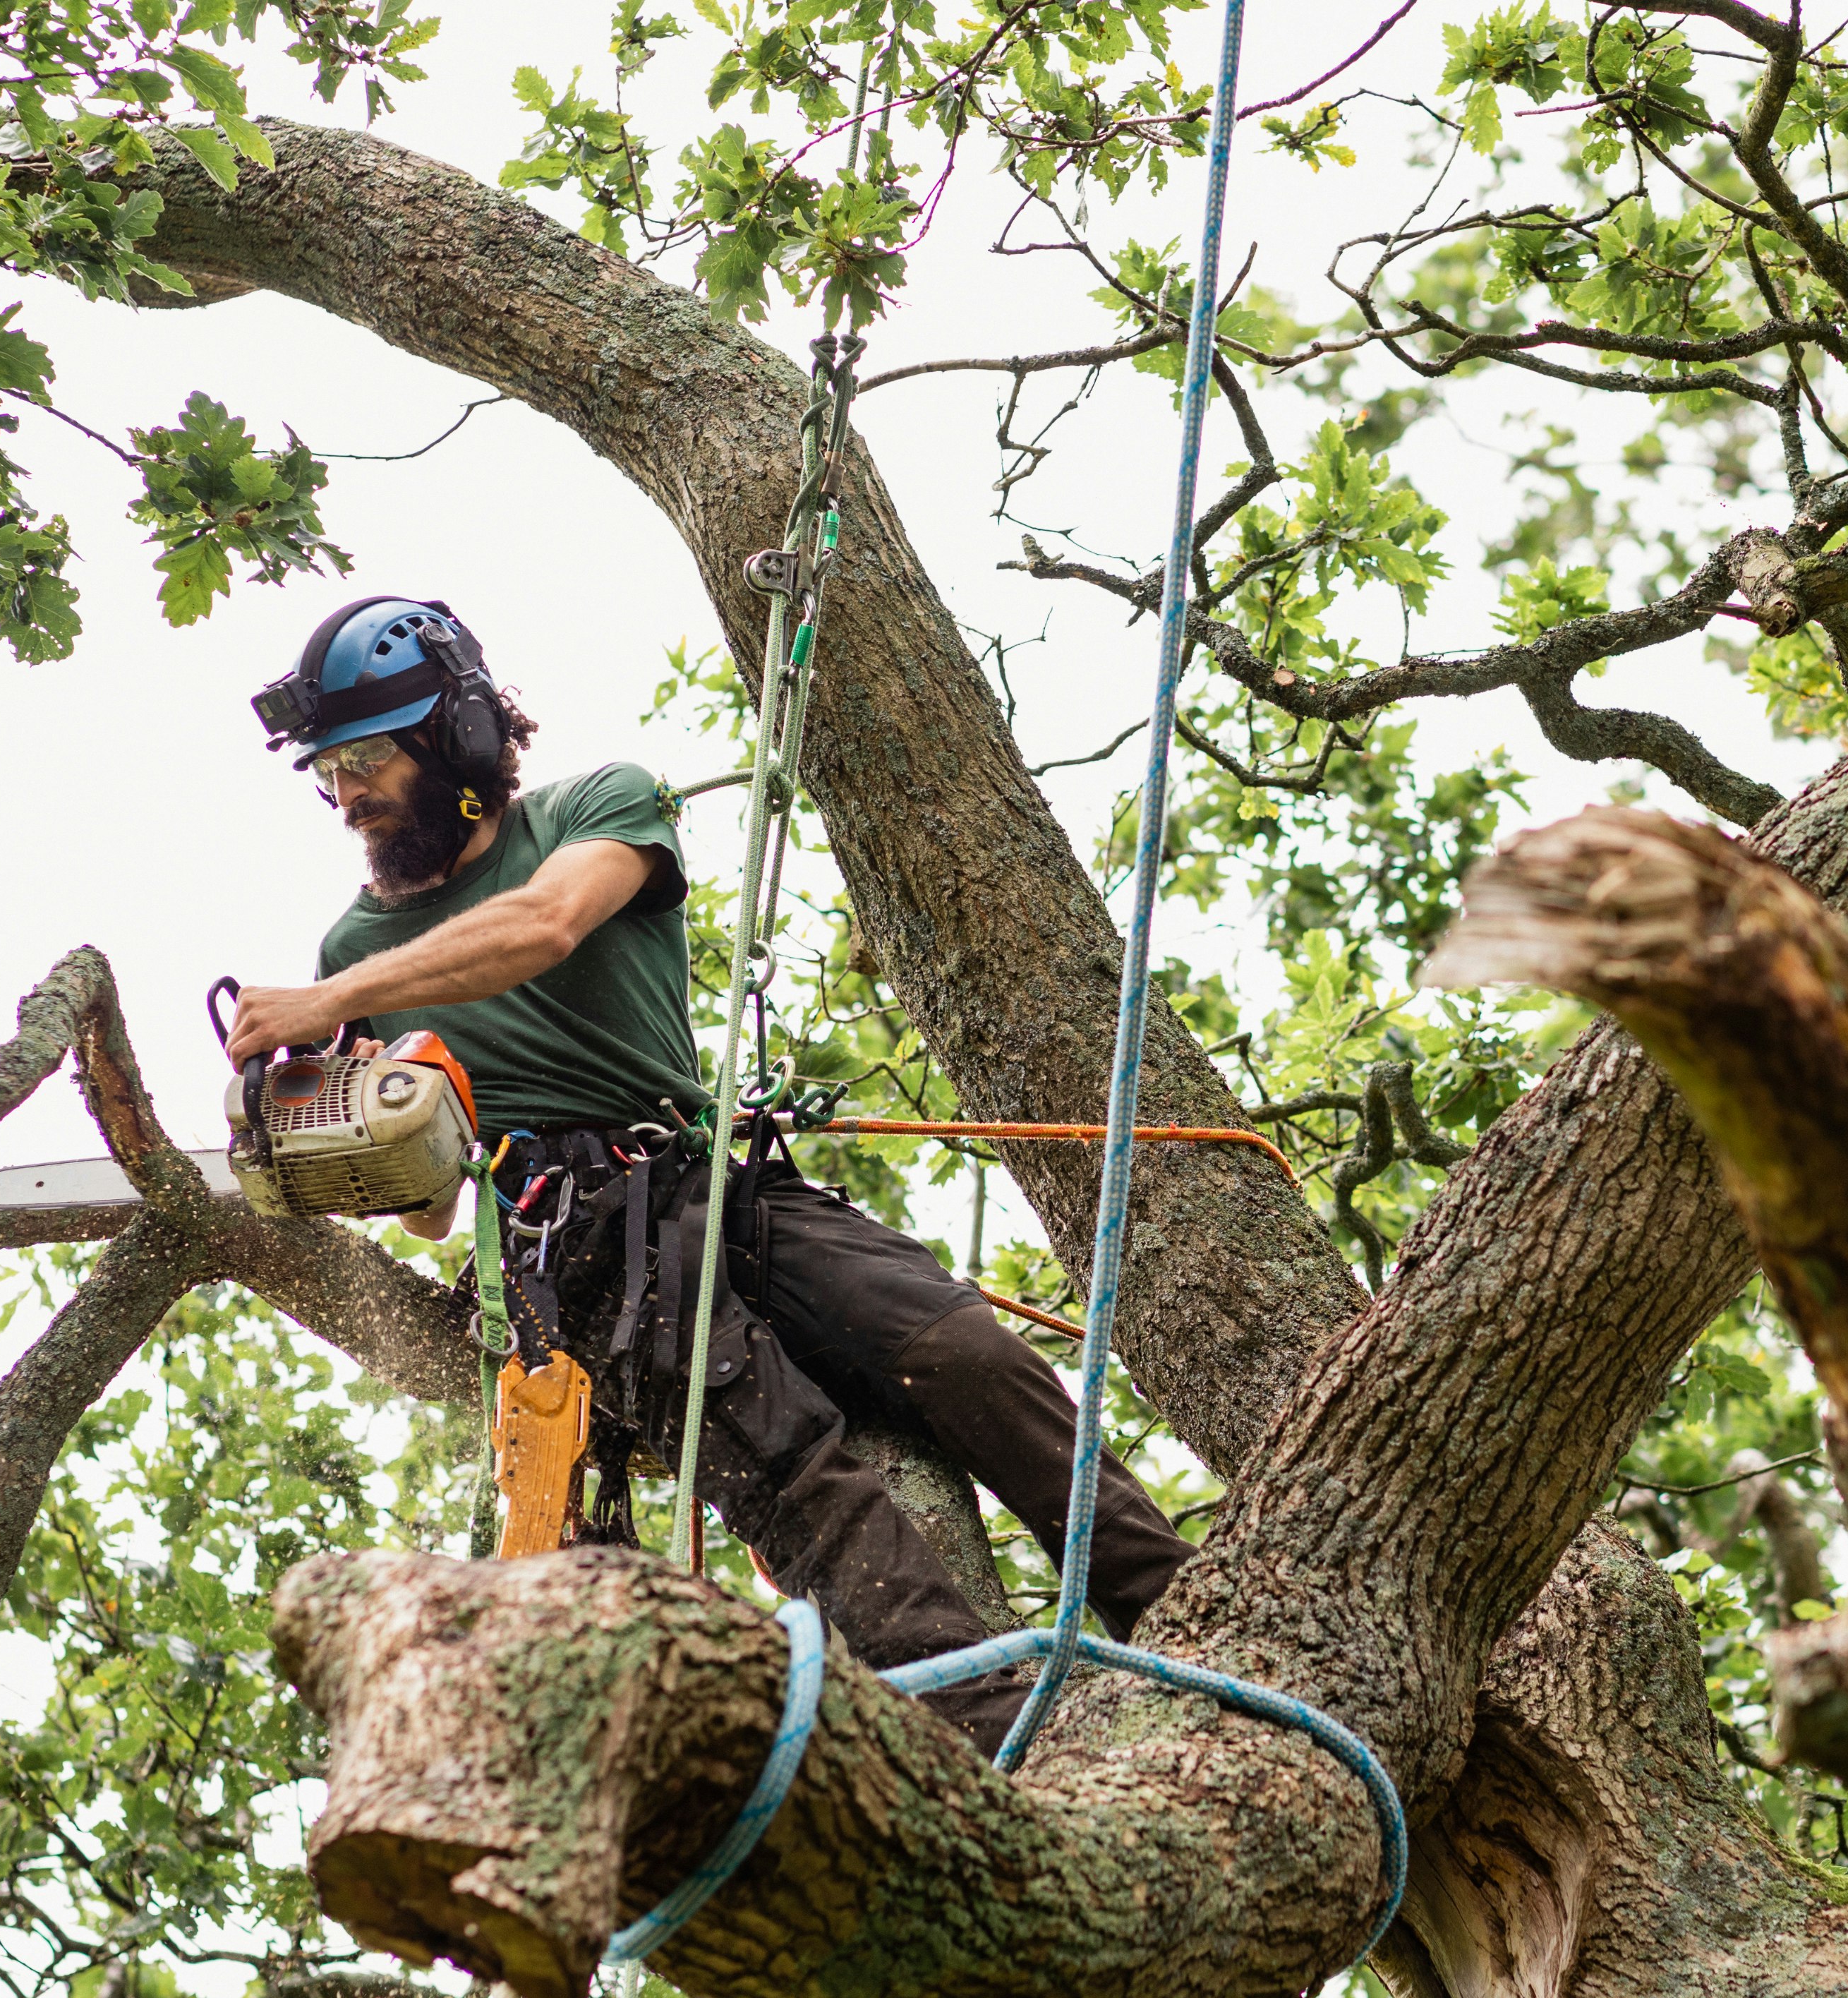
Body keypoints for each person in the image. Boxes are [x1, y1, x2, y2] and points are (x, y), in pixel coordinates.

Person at [222, 595, 1194, 1752]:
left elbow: (543, 927)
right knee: (793, 1465)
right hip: (577, 1243)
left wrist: (336, 1003)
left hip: (710, 1183)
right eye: (329, 770)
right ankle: (999, 1741)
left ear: (463, 738)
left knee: (961, 1349)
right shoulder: (356, 950)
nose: (348, 795)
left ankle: (1188, 1620)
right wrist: (342, 1127)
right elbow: (434, 1212)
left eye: (370, 757)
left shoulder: (599, 808)